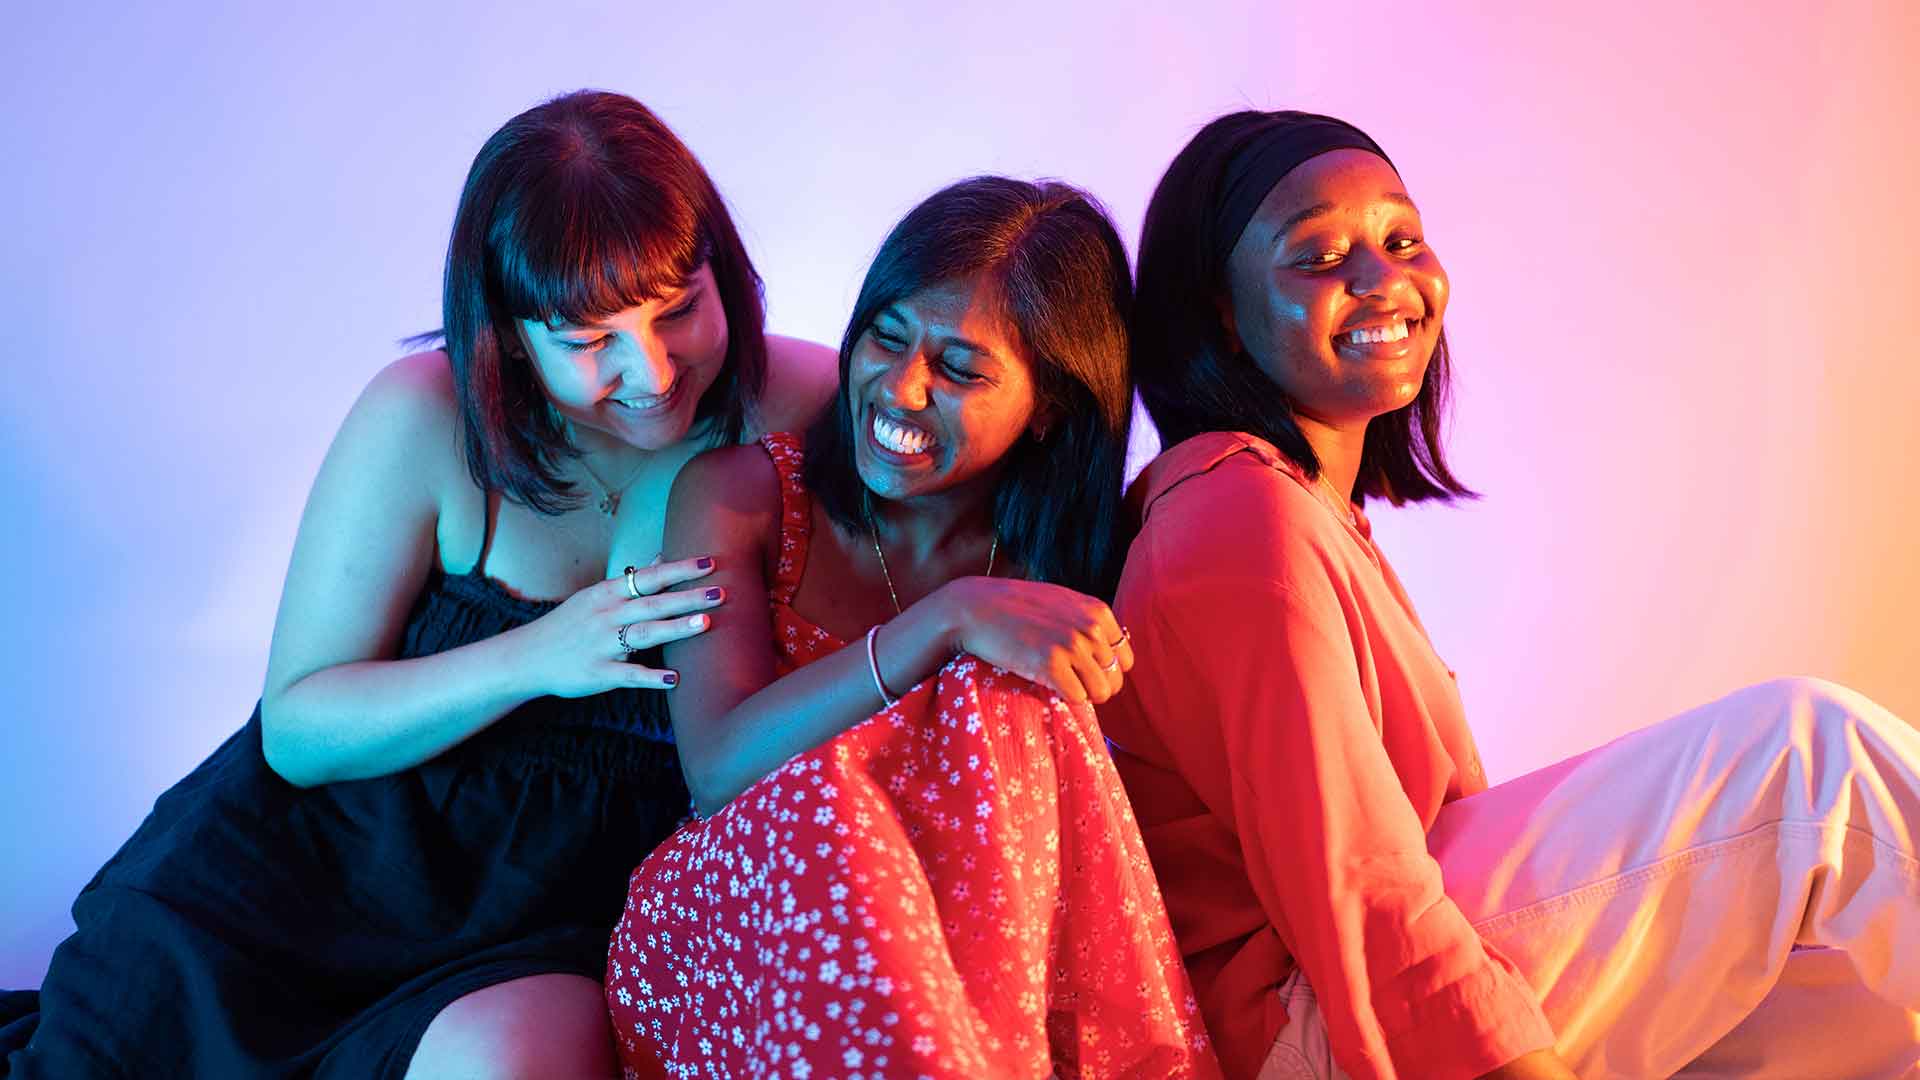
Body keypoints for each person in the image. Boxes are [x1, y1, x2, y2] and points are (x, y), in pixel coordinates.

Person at [1, 89, 837, 1079]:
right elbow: (301, 730)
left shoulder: (801, 405)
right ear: (512, 335)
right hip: (307, 884)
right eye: (588, 341)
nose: (651, 371)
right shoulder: (424, 416)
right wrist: (541, 653)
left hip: (558, 917)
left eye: (679, 311)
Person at [1104, 109, 1920, 1080]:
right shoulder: (1234, 515)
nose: (1382, 278)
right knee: (1814, 760)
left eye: (1402, 239)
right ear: (1223, 316)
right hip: (1305, 1024)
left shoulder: (1293, 507)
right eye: (1319, 257)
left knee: (1837, 999)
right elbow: (1355, 885)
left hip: (1346, 997)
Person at [603, 176, 1220, 1079]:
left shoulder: (1073, 568)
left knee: (1015, 701)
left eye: (960, 369)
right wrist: (947, 619)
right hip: (732, 944)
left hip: (978, 983)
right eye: (885, 338)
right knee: (835, 801)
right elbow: (717, 770)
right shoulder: (744, 496)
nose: (900, 386)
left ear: (1049, 404)